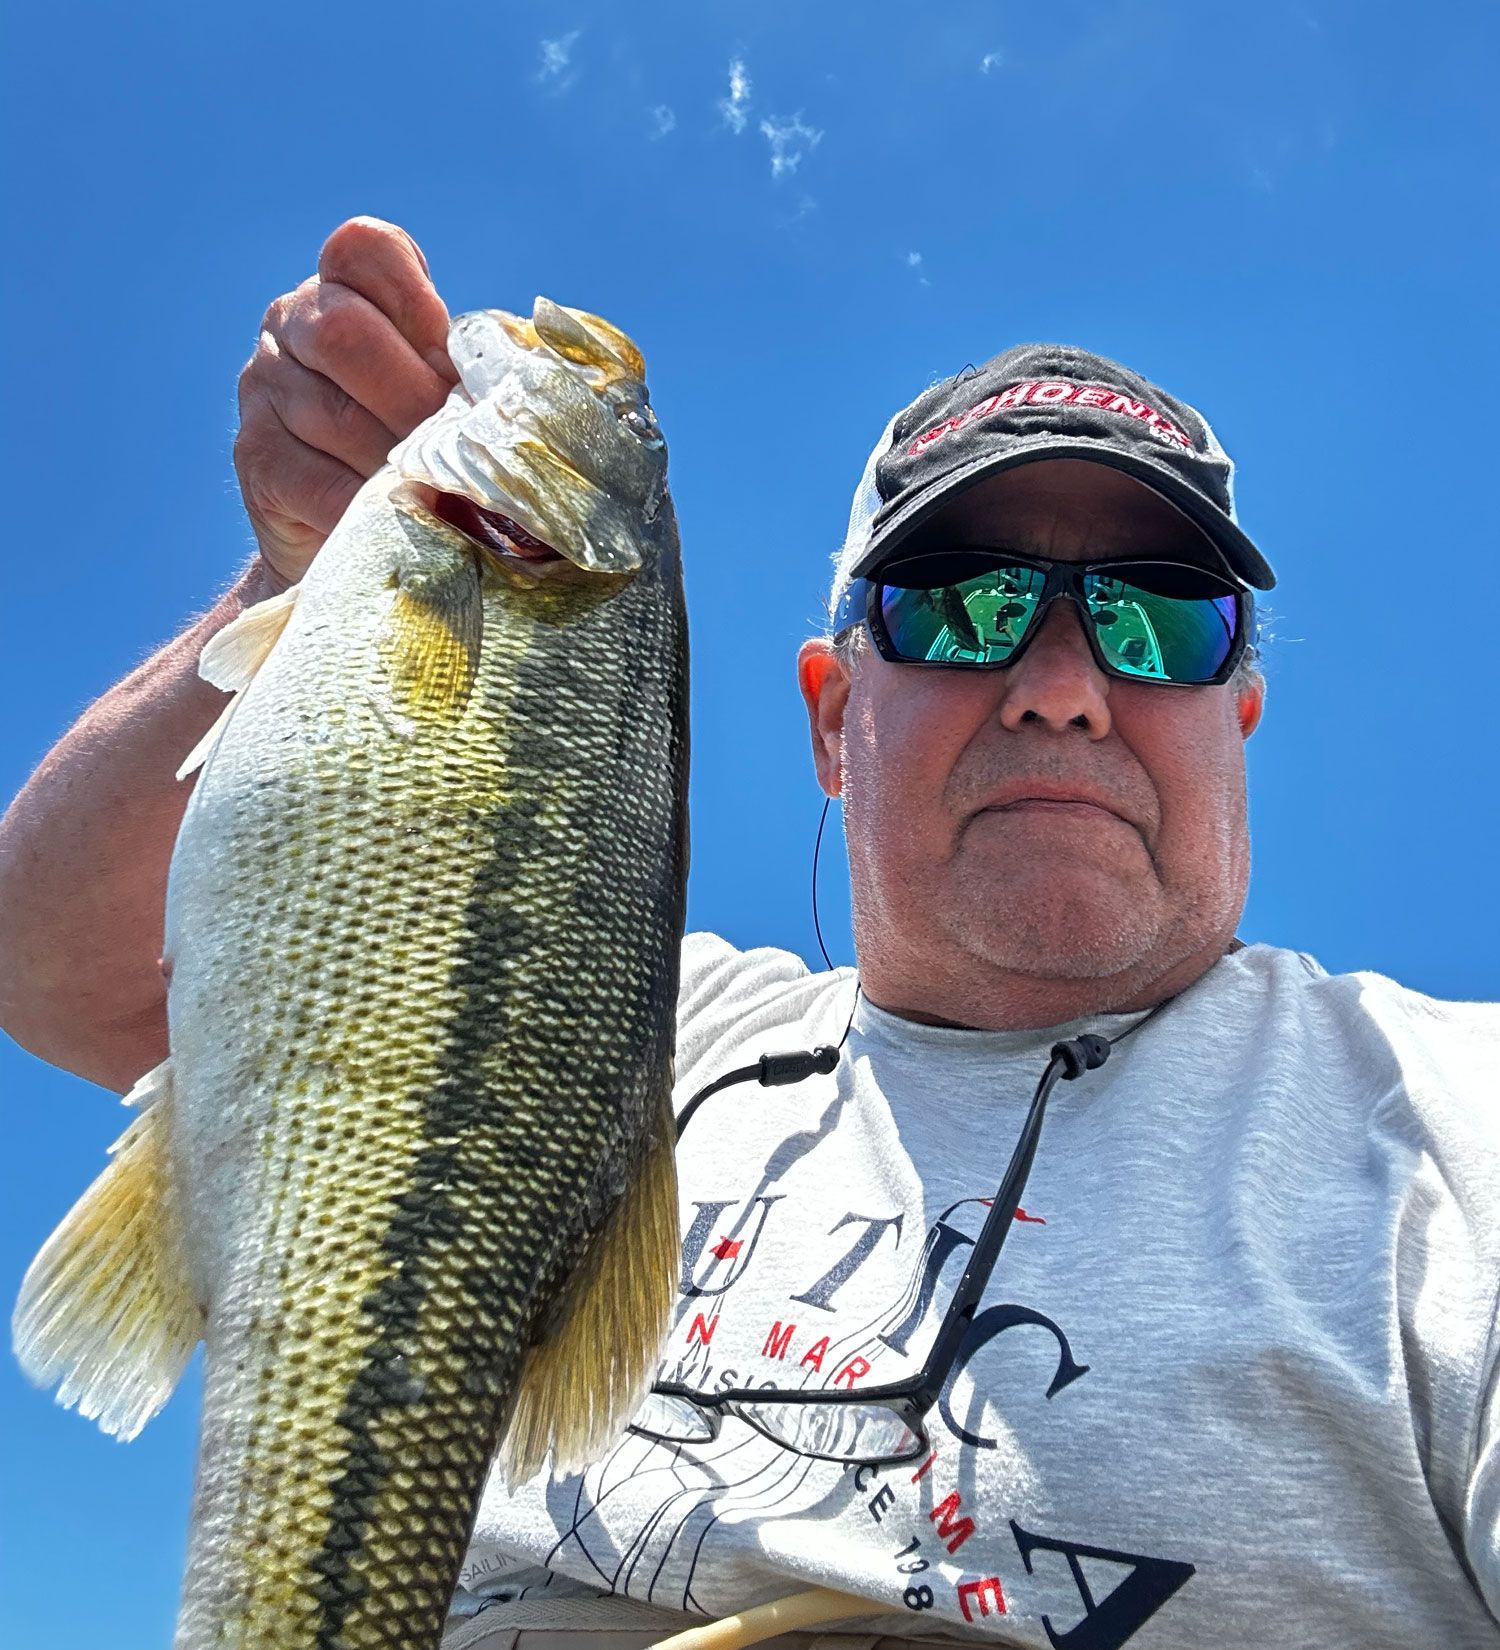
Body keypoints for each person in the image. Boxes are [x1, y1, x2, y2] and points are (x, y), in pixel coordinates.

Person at [1, 217, 1496, 1650]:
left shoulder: (1452, 1133)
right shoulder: (645, 1023)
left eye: (1159, 619)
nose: (1063, 682)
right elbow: (49, 962)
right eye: (963, 608)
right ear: (836, 720)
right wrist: (301, 587)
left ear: (1238, 715)